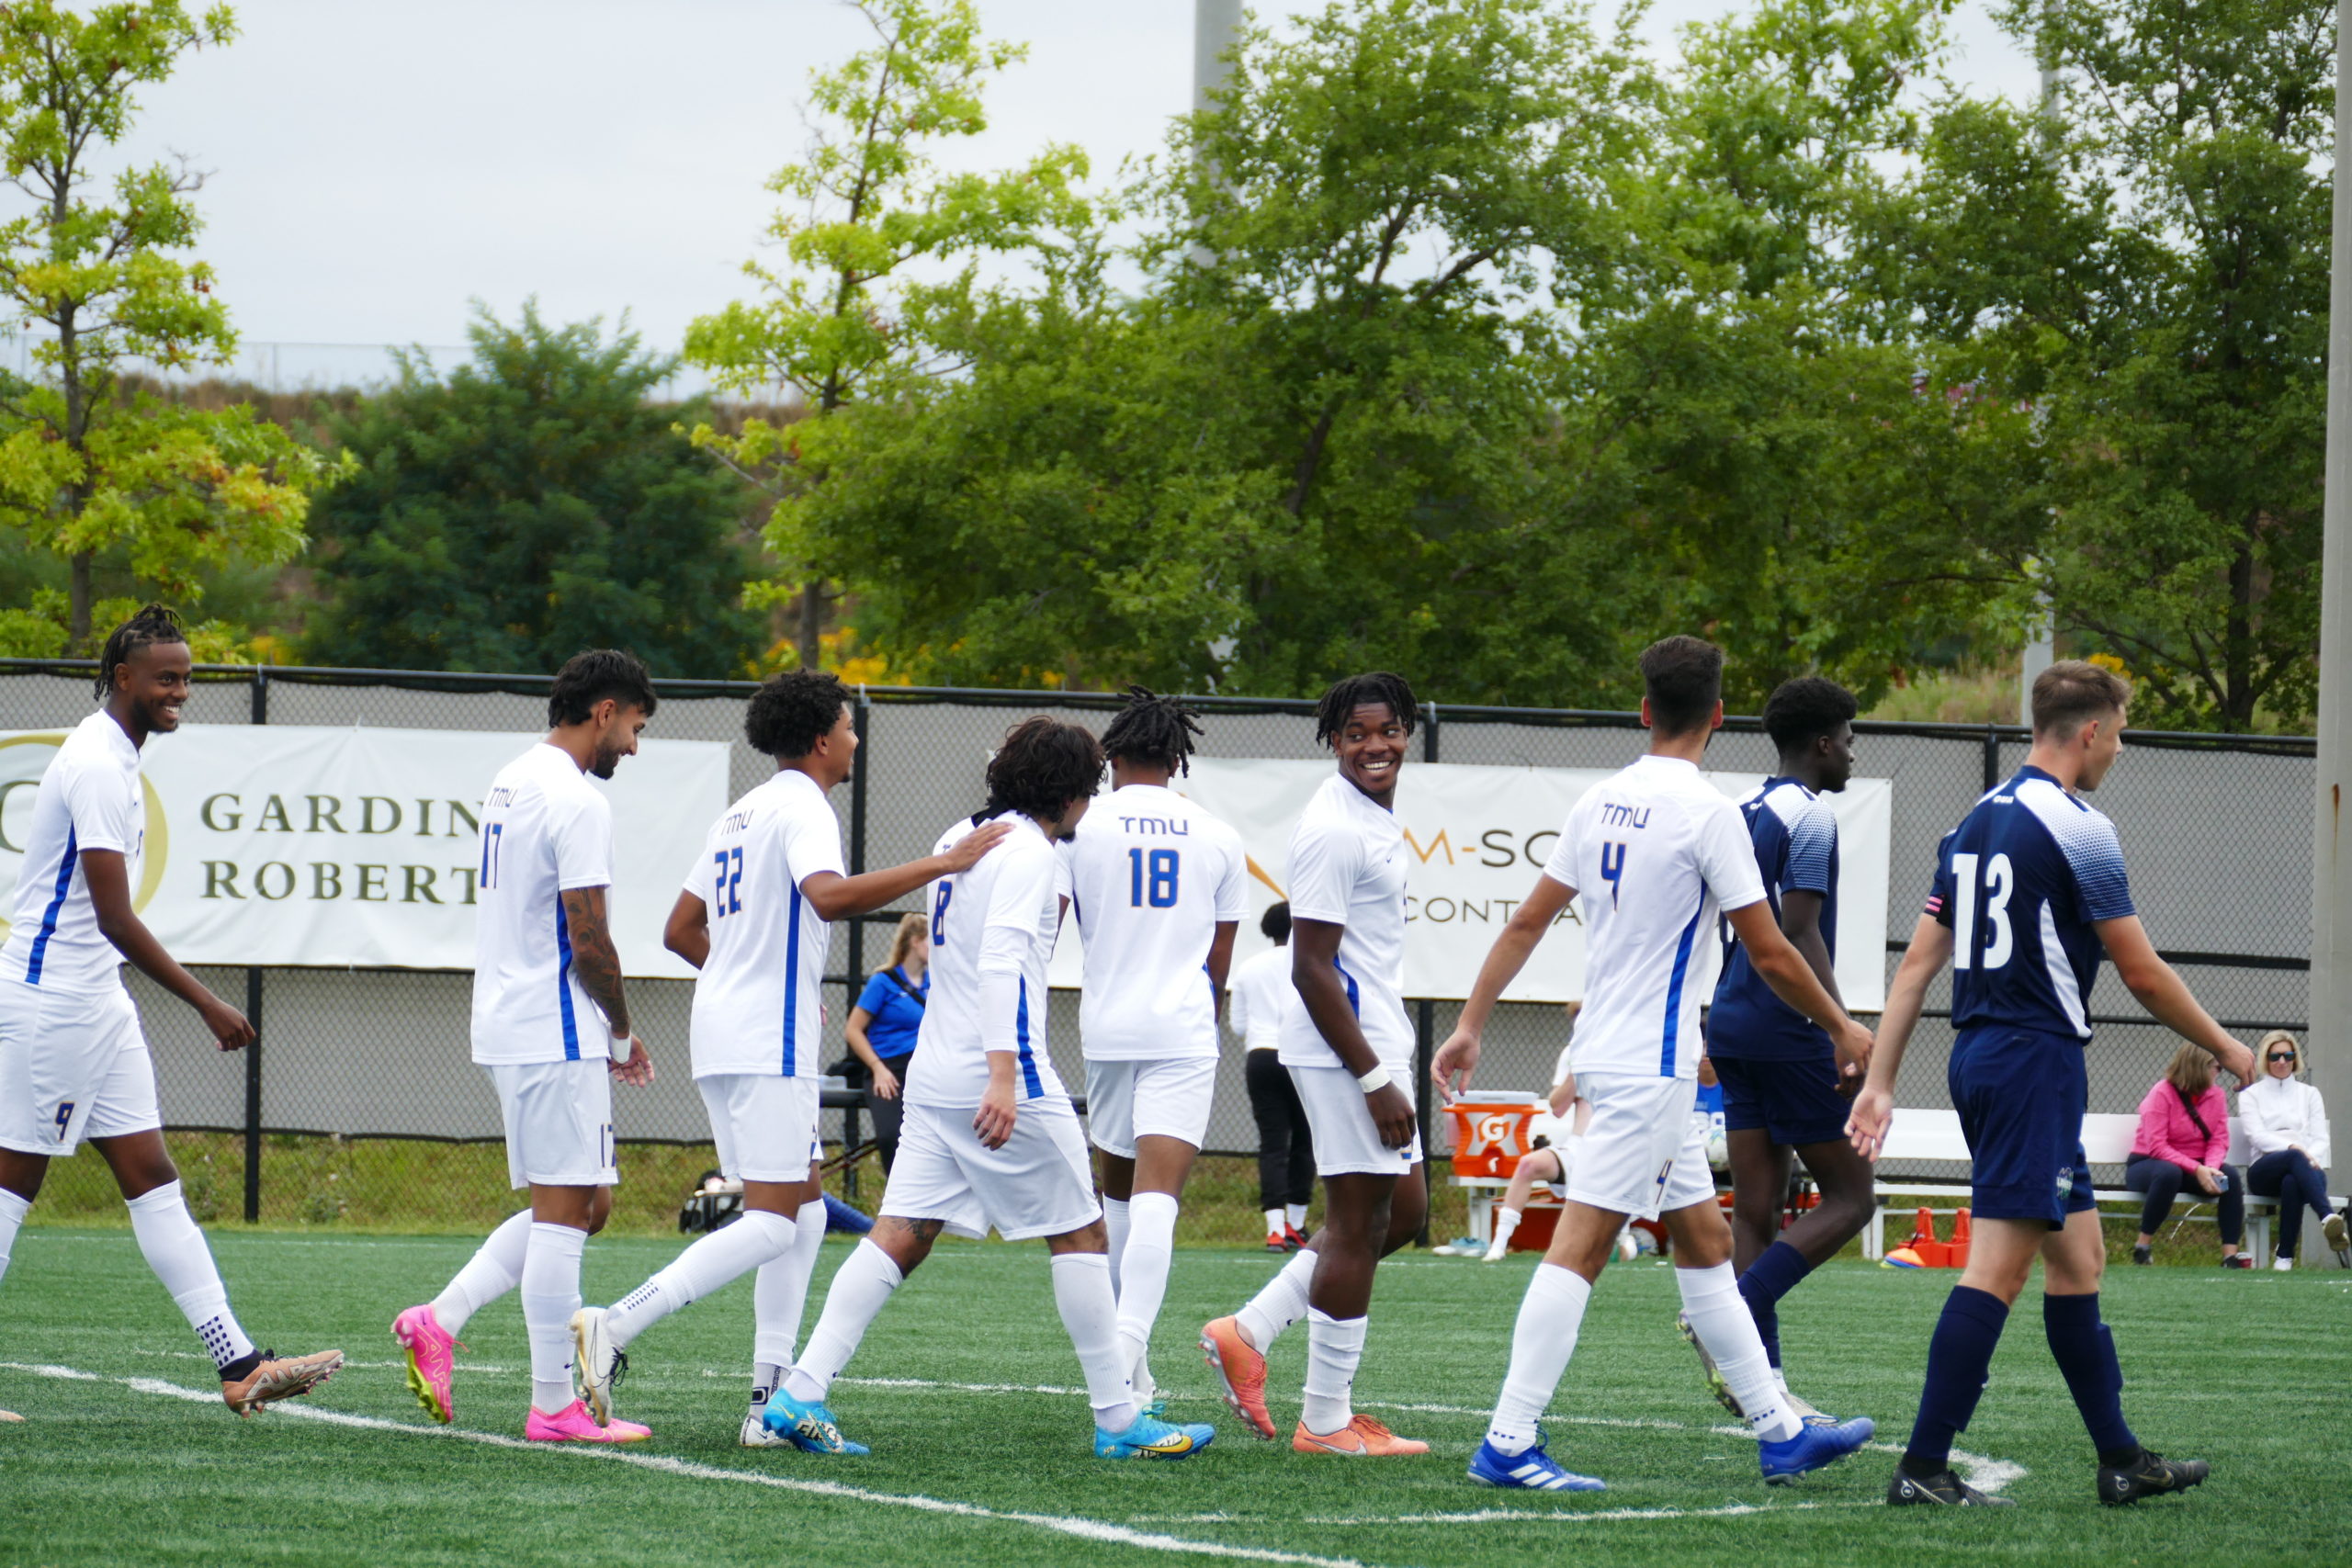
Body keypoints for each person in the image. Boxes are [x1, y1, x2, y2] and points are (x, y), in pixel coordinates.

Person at [1434, 636, 1878, 1493]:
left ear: (1644, 711)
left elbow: (1526, 923)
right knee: (1582, 1248)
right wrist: (1842, 1026)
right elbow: (1776, 949)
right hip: (1649, 1066)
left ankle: (1780, 1430)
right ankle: (1508, 1439)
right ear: (1717, 717)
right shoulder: (1707, 811)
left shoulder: (1600, 800)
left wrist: (1469, 1023)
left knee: (1708, 1243)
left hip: (1624, 1056)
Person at [1848, 660, 2257, 1508]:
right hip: (2033, 1059)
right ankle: (1922, 1468)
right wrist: (2229, 1046)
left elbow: (1918, 967)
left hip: (1988, 1056)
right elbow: (2140, 972)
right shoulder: (2080, 826)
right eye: (2122, 731)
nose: (2121, 748)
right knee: (1996, 1269)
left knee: (2080, 1258)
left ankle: (2121, 1459)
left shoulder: (1973, 820)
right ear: (2092, 730)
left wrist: (1881, 1080)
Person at [566, 671, 1011, 1447]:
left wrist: (743, 977)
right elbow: (830, 895)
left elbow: (679, 929)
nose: (855, 737)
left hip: (728, 1030)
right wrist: (947, 862)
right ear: (819, 739)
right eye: (847, 724)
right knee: (775, 1222)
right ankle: (615, 1323)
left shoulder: (741, 810)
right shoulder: (803, 803)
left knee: (801, 1216)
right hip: (765, 1036)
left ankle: (765, 1407)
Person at [765, 716, 1215, 1461]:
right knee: (1084, 1231)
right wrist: (1005, 1077)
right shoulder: (1032, 852)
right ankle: (1118, 1420)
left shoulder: (961, 832)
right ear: (1068, 790)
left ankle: (800, 1391)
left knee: (902, 1233)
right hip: (995, 1072)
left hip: (936, 1076)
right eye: (1089, 786)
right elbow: (1004, 960)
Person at [0, 606, 343, 1416]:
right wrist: (206, 1001)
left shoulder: (117, 756)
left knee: (153, 1178)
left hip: (95, 999)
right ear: (123, 677)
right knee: (13, 1183)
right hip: (54, 1002)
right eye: (165, 677)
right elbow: (116, 916)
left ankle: (239, 1362)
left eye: (186, 677)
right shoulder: (94, 762)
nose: (180, 690)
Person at [391, 649, 660, 1444]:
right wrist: (619, 1029)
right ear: (604, 711)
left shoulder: (512, 777)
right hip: (555, 1027)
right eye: (635, 729)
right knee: (569, 1213)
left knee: (586, 1203)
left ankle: (440, 1318)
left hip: (512, 1021)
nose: (634, 750)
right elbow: (589, 936)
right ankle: (552, 1406)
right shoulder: (577, 799)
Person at [1200, 672, 1432, 1459]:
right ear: (1334, 740)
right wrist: (1372, 1075)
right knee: (1360, 1224)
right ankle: (1326, 1422)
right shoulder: (1335, 828)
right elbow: (1311, 966)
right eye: (1358, 734)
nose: (1377, 746)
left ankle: (1249, 1330)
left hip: (1368, 1038)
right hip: (1345, 1050)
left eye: (1389, 730)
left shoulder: (1369, 815)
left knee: (1401, 1215)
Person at [1684, 676, 1879, 1424]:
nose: (1854, 755)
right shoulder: (1815, 818)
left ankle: (1762, 1389)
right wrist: (1838, 1024)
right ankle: (1735, 1309)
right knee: (1853, 1197)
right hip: (1788, 1027)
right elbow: (1798, 929)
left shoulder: (1747, 808)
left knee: (1756, 1212)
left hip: (1731, 1022)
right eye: (1850, 740)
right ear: (1824, 742)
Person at [1060, 687, 1246, 1418]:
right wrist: (1207, 1010)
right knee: (1158, 1203)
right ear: (1178, 758)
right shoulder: (1217, 834)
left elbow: (1059, 917)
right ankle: (1128, 1356)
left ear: (1110, 757)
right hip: (1179, 1030)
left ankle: (1128, 1373)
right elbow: (1220, 957)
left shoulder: (1081, 827)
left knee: (1117, 1198)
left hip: (1106, 1027)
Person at [1228, 902, 1313, 1251]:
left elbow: (1238, 1025)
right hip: (1303, 1056)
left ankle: (1274, 1229)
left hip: (1261, 1057)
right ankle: (1297, 1224)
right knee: (1307, 1140)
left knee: (1273, 1142)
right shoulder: (1311, 963)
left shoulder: (1249, 968)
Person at [2124, 1044, 2247, 1268]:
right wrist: (2197, 1169)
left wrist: (2210, 1168)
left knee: (2228, 1176)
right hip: (2149, 1164)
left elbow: (2218, 1139)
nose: (2219, 1073)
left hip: (2197, 1167)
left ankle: (2230, 1256)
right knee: (2168, 1173)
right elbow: (2157, 1147)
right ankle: (2142, 1248)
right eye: (2217, 1067)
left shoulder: (2216, 1096)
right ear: (2199, 1067)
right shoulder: (2162, 1092)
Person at [2238, 1032, 2346, 1270]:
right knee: (2294, 1158)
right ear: (2265, 1059)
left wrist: (2308, 1158)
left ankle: (2284, 1258)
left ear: (2295, 1058)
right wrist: (2293, 1148)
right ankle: (2327, 1216)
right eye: (2275, 1056)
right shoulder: (2250, 1095)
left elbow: (2320, 1139)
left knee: (2292, 1181)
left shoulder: (2310, 1094)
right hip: (2264, 1169)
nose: (2282, 1062)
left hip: (2306, 1168)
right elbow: (2257, 1137)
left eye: (2288, 1055)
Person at [846, 913, 931, 1173]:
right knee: (891, 1136)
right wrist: (878, 1068)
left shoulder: (935, 983)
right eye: (932, 942)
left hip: (923, 1069)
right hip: (889, 1070)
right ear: (915, 942)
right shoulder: (883, 982)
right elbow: (853, 1029)